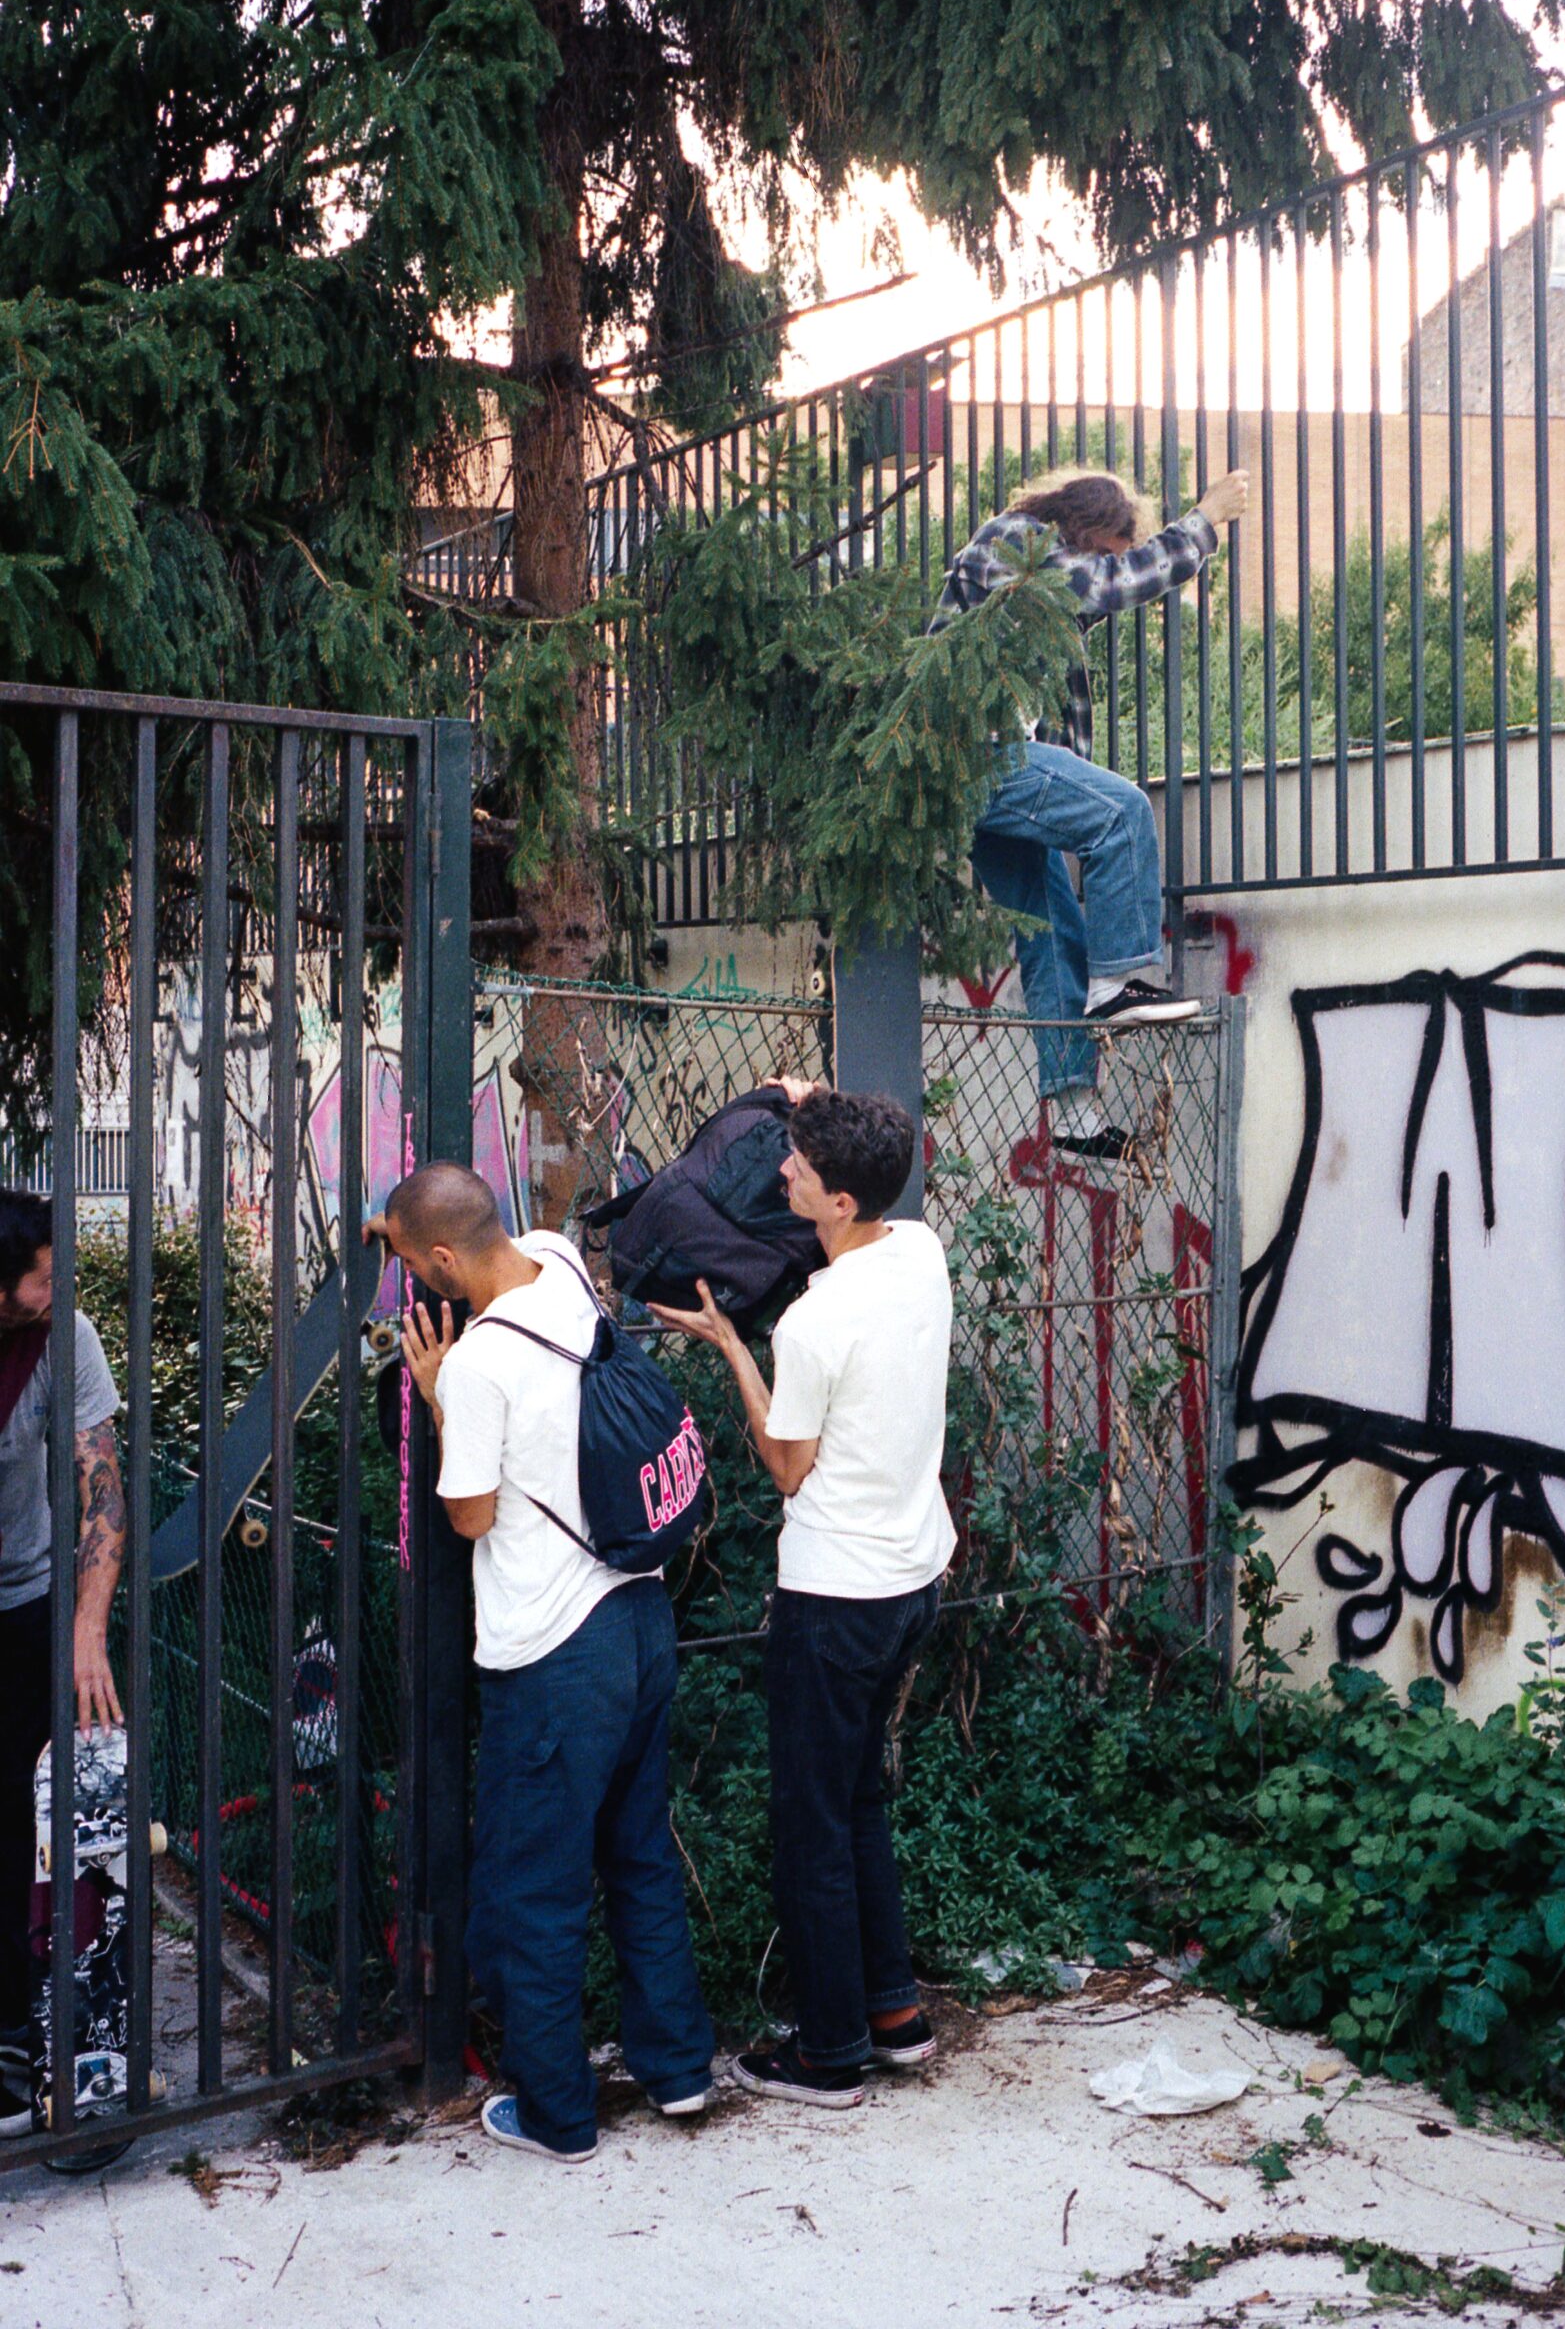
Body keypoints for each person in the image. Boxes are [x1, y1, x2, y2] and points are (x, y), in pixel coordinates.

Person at [367, 1164, 714, 2165]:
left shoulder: (476, 1366)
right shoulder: (558, 1260)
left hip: (555, 1654)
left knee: (536, 1888)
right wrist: (391, 1219)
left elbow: (468, 1514)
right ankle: (678, 2069)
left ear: (438, 1262)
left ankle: (555, 2113)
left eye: (407, 1259)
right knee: (638, 1854)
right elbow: (458, 1222)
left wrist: (436, 1396)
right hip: (640, 1615)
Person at [651, 1087, 953, 2109]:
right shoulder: (919, 1253)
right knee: (857, 1794)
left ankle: (829, 2051)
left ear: (836, 1201)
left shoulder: (816, 1322)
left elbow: (787, 1466)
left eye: (797, 1166)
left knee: (811, 1822)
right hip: (913, 1580)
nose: (781, 1171)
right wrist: (802, 1098)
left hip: (836, 1600)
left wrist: (730, 1347)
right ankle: (891, 2009)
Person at [934, 464, 1249, 1158]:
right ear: (1080, 526)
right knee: (1120, 811)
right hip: (974, 754)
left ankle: (1074, 1118)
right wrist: (1202, 523)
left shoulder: (1052, 585)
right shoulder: (1010, 541)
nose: (1111, 562)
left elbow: (1100, 593)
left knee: (1049, 935)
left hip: (993, 773)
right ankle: (1117, 983)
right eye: (1108, 546)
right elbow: (1102, 585)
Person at [0, 1187, 125, 2136]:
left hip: (24, 1601)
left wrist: (86, 1626)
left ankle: (23, 2032)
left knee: (22, 1823)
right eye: (46, 1270)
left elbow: (99, 1480)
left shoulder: (63, 1332)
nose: (62, 1280)